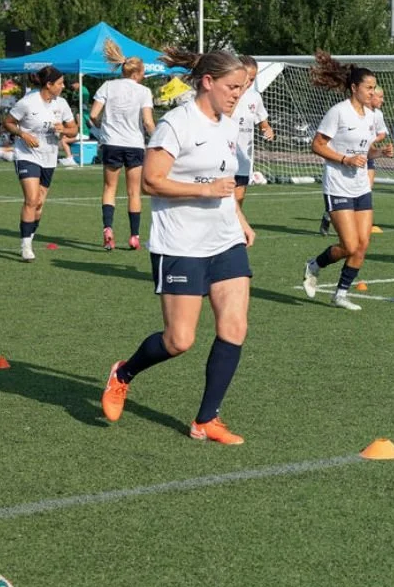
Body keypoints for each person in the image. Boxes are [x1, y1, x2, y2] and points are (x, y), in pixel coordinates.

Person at [100, 47, 254, 445]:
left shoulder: (228, 125)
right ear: (208, 82)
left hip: (225, 241)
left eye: (243, 87)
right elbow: (152, 181)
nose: (239, 94)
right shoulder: (176, 124)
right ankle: (123, 373)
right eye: (233, 86)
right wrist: (204, 192)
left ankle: (207, 419)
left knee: (235, 326)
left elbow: (224, 180)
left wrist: (239, 220)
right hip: (180, 243)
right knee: (179, 340)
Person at [303, 52, 380, 311]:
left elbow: (364, 150)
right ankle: (315, 265)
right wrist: (345, 160)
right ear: (354, 88)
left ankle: (341, 294)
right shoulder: (338, 112)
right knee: (349, 245)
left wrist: (378, 153)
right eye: (368, 88)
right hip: (337, 185)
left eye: (374, 88)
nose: (372, 92)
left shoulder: (370, 116)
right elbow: (317, 145)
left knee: (363, 244)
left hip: (360, 186)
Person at [2, 65, 78, 261]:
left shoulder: (61, 104)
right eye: (60, 83)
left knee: (40, 203)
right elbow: (8, 122)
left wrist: (64, 130)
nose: (63, 86)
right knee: (31, 199)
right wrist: (23, 134)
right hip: (27, 155)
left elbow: (74, 130)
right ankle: (25, 245)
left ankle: (31, 235)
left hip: (49, 156)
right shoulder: (27, 102)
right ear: (49, 84)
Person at [90, 39, 156, 251]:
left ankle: (108, 229)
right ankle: (134, 236)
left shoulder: (108, 86)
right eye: (143, 72)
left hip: (111, 143)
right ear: (136, 74)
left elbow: (92, 115)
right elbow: (147, 122)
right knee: (134, 192)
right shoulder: (143, 91)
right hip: (134, 145)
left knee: (109, 188)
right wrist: (156, 139)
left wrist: (102, 129)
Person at [318, 85, 392, 236]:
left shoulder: (376, 115)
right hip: (346, 164)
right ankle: (330, 215)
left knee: (366, 188)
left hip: (365, 156)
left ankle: (362, 223)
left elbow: (382, 134)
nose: (381, 100)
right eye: (379, 96)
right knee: (350, 244)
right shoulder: (343, 112)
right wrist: (355, 146)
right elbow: (318, 144)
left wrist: (377, 147)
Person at [230, 55, 275, 209]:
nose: (249, 83)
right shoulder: (226, 93)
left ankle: (234, 230)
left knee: (238, 200)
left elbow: (264, 124)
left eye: (253, 79)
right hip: (223, 154)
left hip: (244, 157)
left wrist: (267, 130)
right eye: (247, 78)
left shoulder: (254, 97)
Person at [58, 80, 90, 166]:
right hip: (83, 133)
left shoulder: (79, 114)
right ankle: (70, 157)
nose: (73, 87)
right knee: (65, 137)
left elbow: (78, 127)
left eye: (73, 85)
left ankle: (70, 158)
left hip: (83, 135)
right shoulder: (84, 113)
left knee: (64, 140)